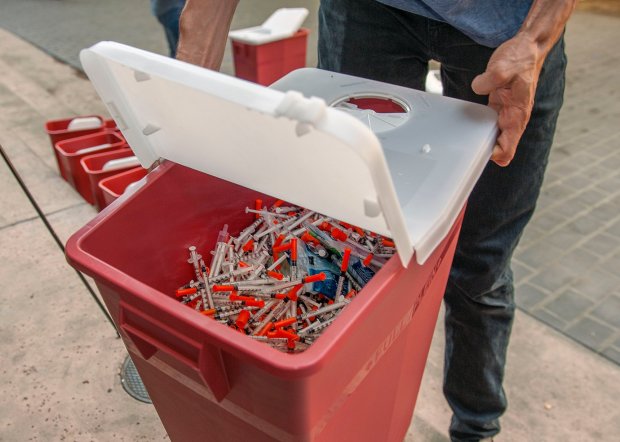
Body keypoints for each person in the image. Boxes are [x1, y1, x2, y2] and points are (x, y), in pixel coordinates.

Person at [175, 1, 576, 440]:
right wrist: (183, 109)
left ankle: (476, 427)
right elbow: (203, 18)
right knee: (348, 236)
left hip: (508, 23)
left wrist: (536, 39)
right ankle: (357, 420)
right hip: (369, 11)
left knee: (480, 265)